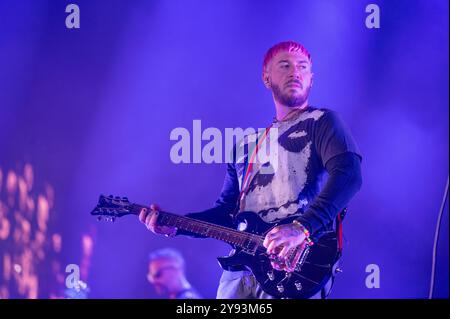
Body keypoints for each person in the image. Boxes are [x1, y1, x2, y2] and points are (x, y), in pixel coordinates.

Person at [139, 41, 362, 299]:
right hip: (240, 271)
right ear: (266, 77)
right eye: (285, 65)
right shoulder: (245, 146)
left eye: (303, 67)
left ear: (311, 78)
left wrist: (301, 228)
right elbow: (227, 212)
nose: (295, 72)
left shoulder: (323, 122)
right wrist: (176, 225)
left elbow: (349, 175)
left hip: (292, 267)